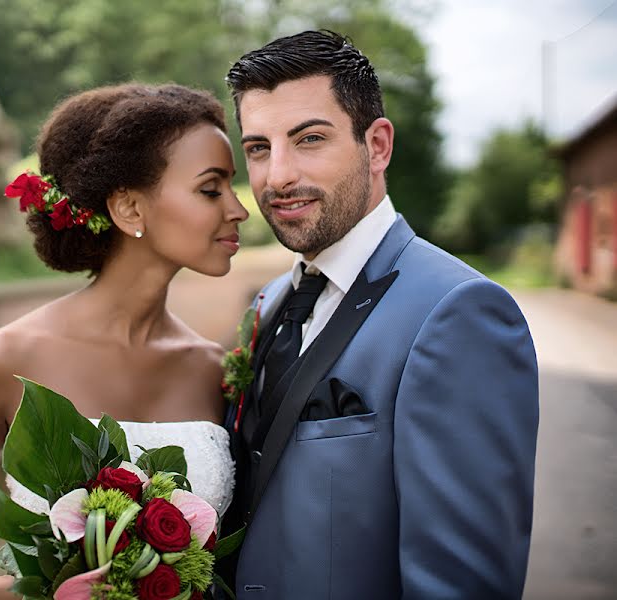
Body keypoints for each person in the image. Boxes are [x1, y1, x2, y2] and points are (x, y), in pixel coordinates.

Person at [220, 30, 539, 598]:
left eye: (309, 139)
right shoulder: (268, 302)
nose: (278, 176)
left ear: (379, 145)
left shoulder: (459, 313)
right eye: (259, 148)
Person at [0, 83, 248, 599]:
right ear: (130, 209)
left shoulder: (215, 370)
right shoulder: (3, 360)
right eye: (210, 188)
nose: (237, 210)